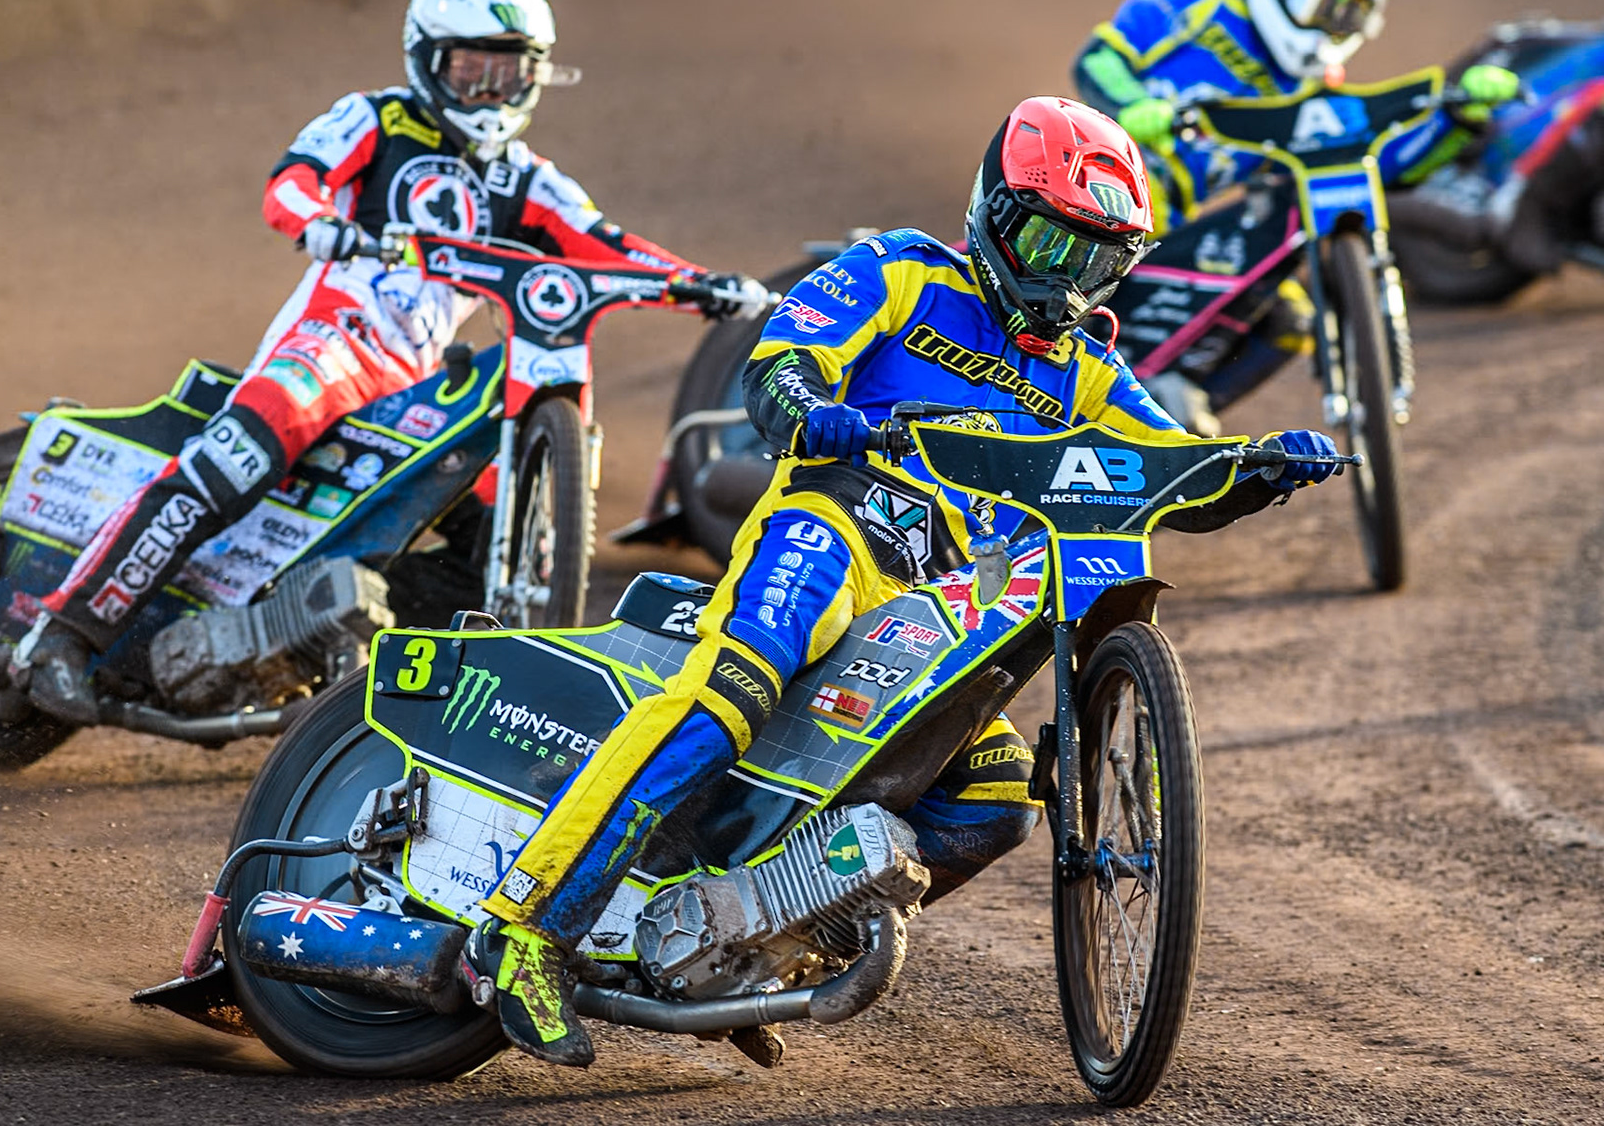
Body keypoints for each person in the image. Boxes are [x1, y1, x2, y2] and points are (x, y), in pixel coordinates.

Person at [463, 96, 1344, 1066]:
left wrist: (1255, 465)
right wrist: (813, 408)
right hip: (832, 524)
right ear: (997, 214)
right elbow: (781, 362)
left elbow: (1175, 468)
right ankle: (523, 927)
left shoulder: (1088, 372)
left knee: (997, 801)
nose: (1063, 278)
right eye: (1051, 242)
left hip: (930, 610)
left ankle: (762, 940)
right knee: (733, 687)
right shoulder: (900, 268)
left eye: (1091, 258)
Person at [14, 0, 717, 720]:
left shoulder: (528, 179)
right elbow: (292, 180)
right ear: (425, 59)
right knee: (229, 464)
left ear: (537, 78)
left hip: (420, 390)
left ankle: (337, 672)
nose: (489, 93)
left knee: (484, 549)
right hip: (329, 350)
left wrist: (708, 286)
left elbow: (608, 243)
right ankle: (62, 635)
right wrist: (317, 221)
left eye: (508, 75)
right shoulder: (374, 120)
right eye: (470, 70)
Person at [1071, 0, 1520, 431]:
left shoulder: (1313, 89)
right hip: (1095, 192)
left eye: (1349, 12)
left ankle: (1173, 405)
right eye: (1321, 0)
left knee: (1290, 318)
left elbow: (1375, 165)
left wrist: (1458, 121)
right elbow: (1099, 58)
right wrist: (1131, 106)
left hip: (1174, 229)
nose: (1330, 24)